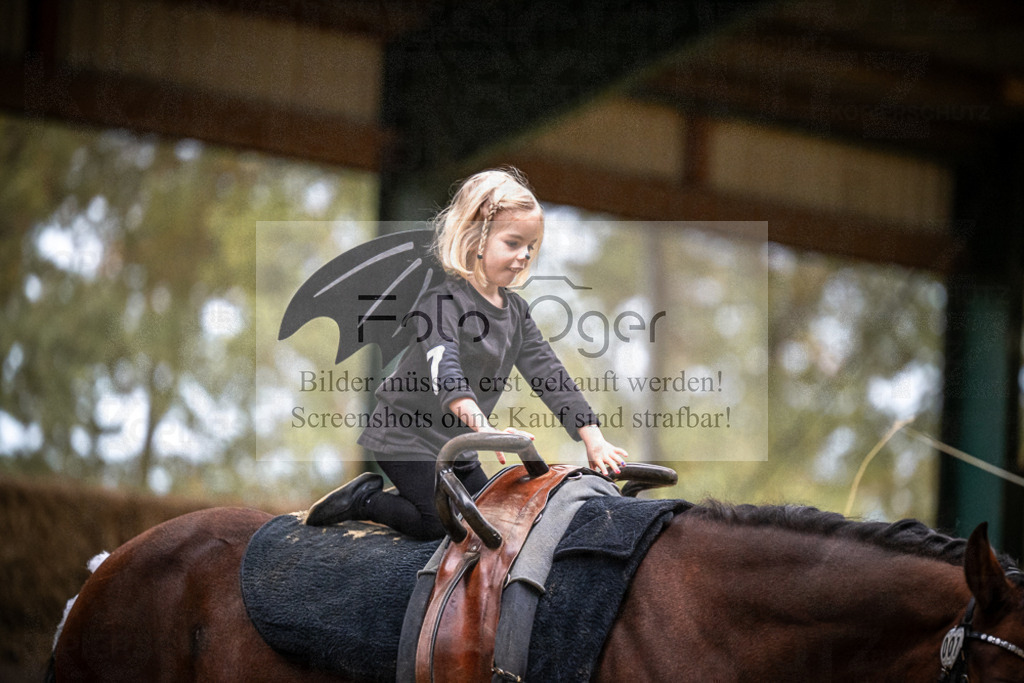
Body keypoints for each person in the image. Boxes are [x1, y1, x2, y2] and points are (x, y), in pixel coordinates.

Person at [305, 167, 627, 539]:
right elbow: (448, 372)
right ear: (477, 239)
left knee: (493, 523)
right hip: (403, 437)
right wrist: (484, 429)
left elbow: (549, 374)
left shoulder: (516, 313)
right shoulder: (440, 302)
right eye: (513, 243)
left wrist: (593, 437)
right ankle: (364, 500)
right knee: (440, 524)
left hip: (459, 446)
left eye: (531, 246)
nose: (524, 255)